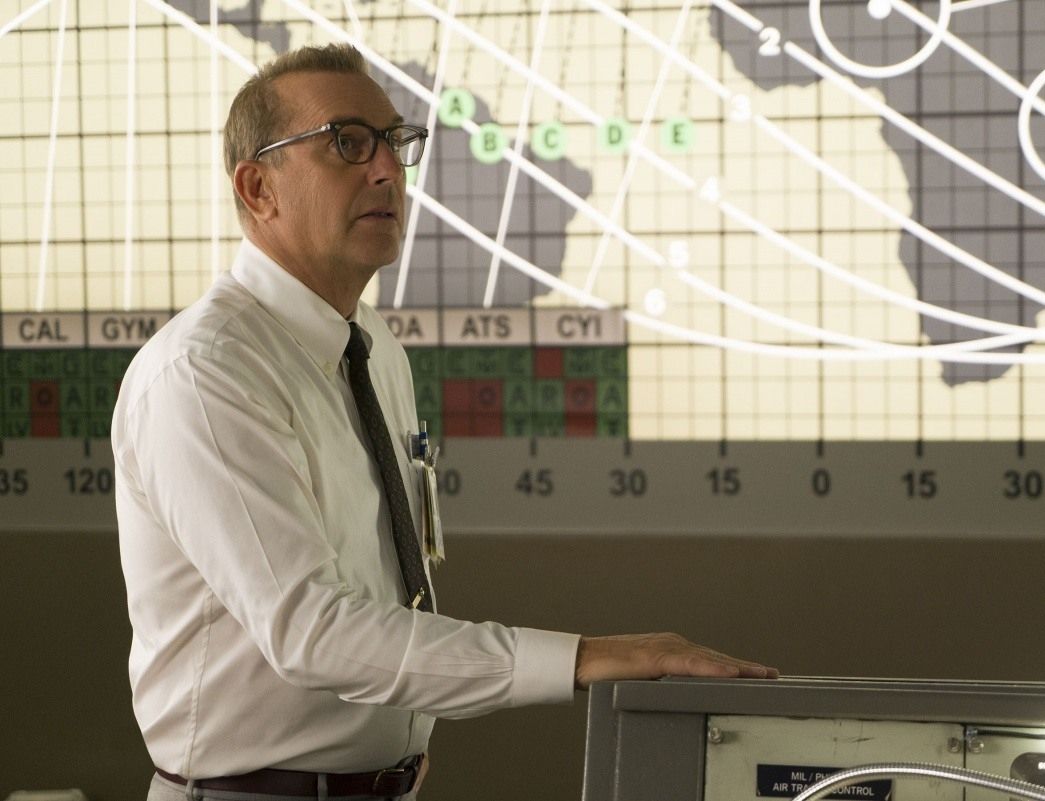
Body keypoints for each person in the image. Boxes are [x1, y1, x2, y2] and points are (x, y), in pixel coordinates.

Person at [113, 42, 777, 801]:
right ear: (258, 187)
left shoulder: (374, 349)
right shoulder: (205, 371)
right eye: (347, 143)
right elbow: (310, 633)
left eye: (395, 142)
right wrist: (586, 657)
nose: (387, 170)